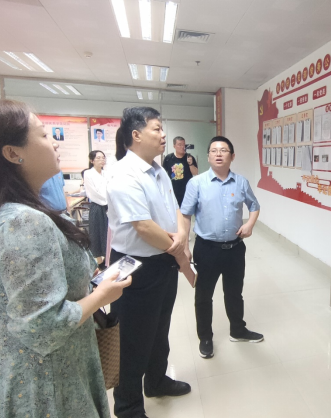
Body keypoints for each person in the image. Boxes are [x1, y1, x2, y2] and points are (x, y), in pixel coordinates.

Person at [0, 100, 132, 418]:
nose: (54, 142)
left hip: (30, 375)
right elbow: (44, 327)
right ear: (13, 153)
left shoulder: (1, 212)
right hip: (44, 385)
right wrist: (102, 295)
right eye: (43, 135)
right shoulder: (21, 221)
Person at [106, 107, 194, 418]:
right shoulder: (123, 174)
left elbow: (176, 210)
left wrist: (182, 240)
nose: (163, 134)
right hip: (136, 267)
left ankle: (156, 381)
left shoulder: (159, 169)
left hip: (163, 261)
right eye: (156, 128)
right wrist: (178, 249)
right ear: (136, 134)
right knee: (132, 339)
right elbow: (142, 226)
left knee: (159, 328)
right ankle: (128, 407)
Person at [181, 136, 263, 360]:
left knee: (234, 292)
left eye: (224, 150)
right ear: (208, 156)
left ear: (232, 156)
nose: (218, 154)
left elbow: (254, 206)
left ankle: (238, 330)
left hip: (235, 249)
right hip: (206, 249)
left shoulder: (241, 182)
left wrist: (250, 224)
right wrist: (185, 246)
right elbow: (185, 215)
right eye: (214, 150)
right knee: (203, 295)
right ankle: (205, 337)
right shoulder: (196, 183)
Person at [84, 150, 109, 268]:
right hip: (97, 206)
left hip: (109, 207)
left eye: (103, 157)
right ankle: (99, 261)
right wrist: (106, 200)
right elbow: (93, 193)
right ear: (92, 160)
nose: (102, 160)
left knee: (107, 233)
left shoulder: (106, 173)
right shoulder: (88, 173)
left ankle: (107, 258)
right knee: (97, 233)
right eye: (98, 158)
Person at [162, 136, 197, 207]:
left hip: (187, 191)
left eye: (184, 145)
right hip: (172, 191)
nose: (182, 147)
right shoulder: (168, 158)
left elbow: (195, 173)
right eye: (179, 145)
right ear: (174, 146)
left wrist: (190, 164)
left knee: (186, 211)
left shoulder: (190, 157)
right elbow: (163, 174)